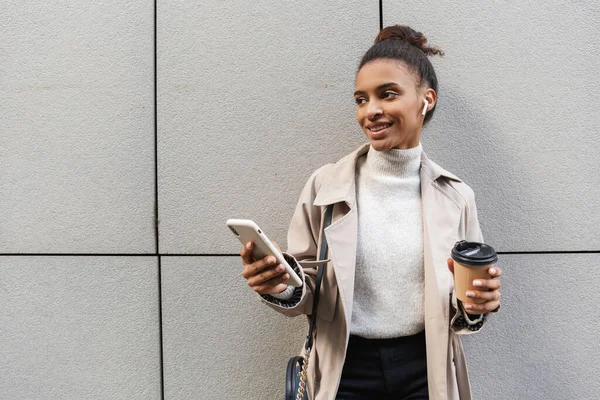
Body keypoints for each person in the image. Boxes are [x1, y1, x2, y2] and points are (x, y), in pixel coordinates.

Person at [240, 25, 503, 400]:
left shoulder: (456, 195)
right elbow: (306, 290)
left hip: (426, 369)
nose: (371, 111)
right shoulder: (325, 186)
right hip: (345, 368)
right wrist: (280, 284)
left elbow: (463, 303)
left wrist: (477, 304)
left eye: (388, 94)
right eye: (361, 99)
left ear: (426, 99)